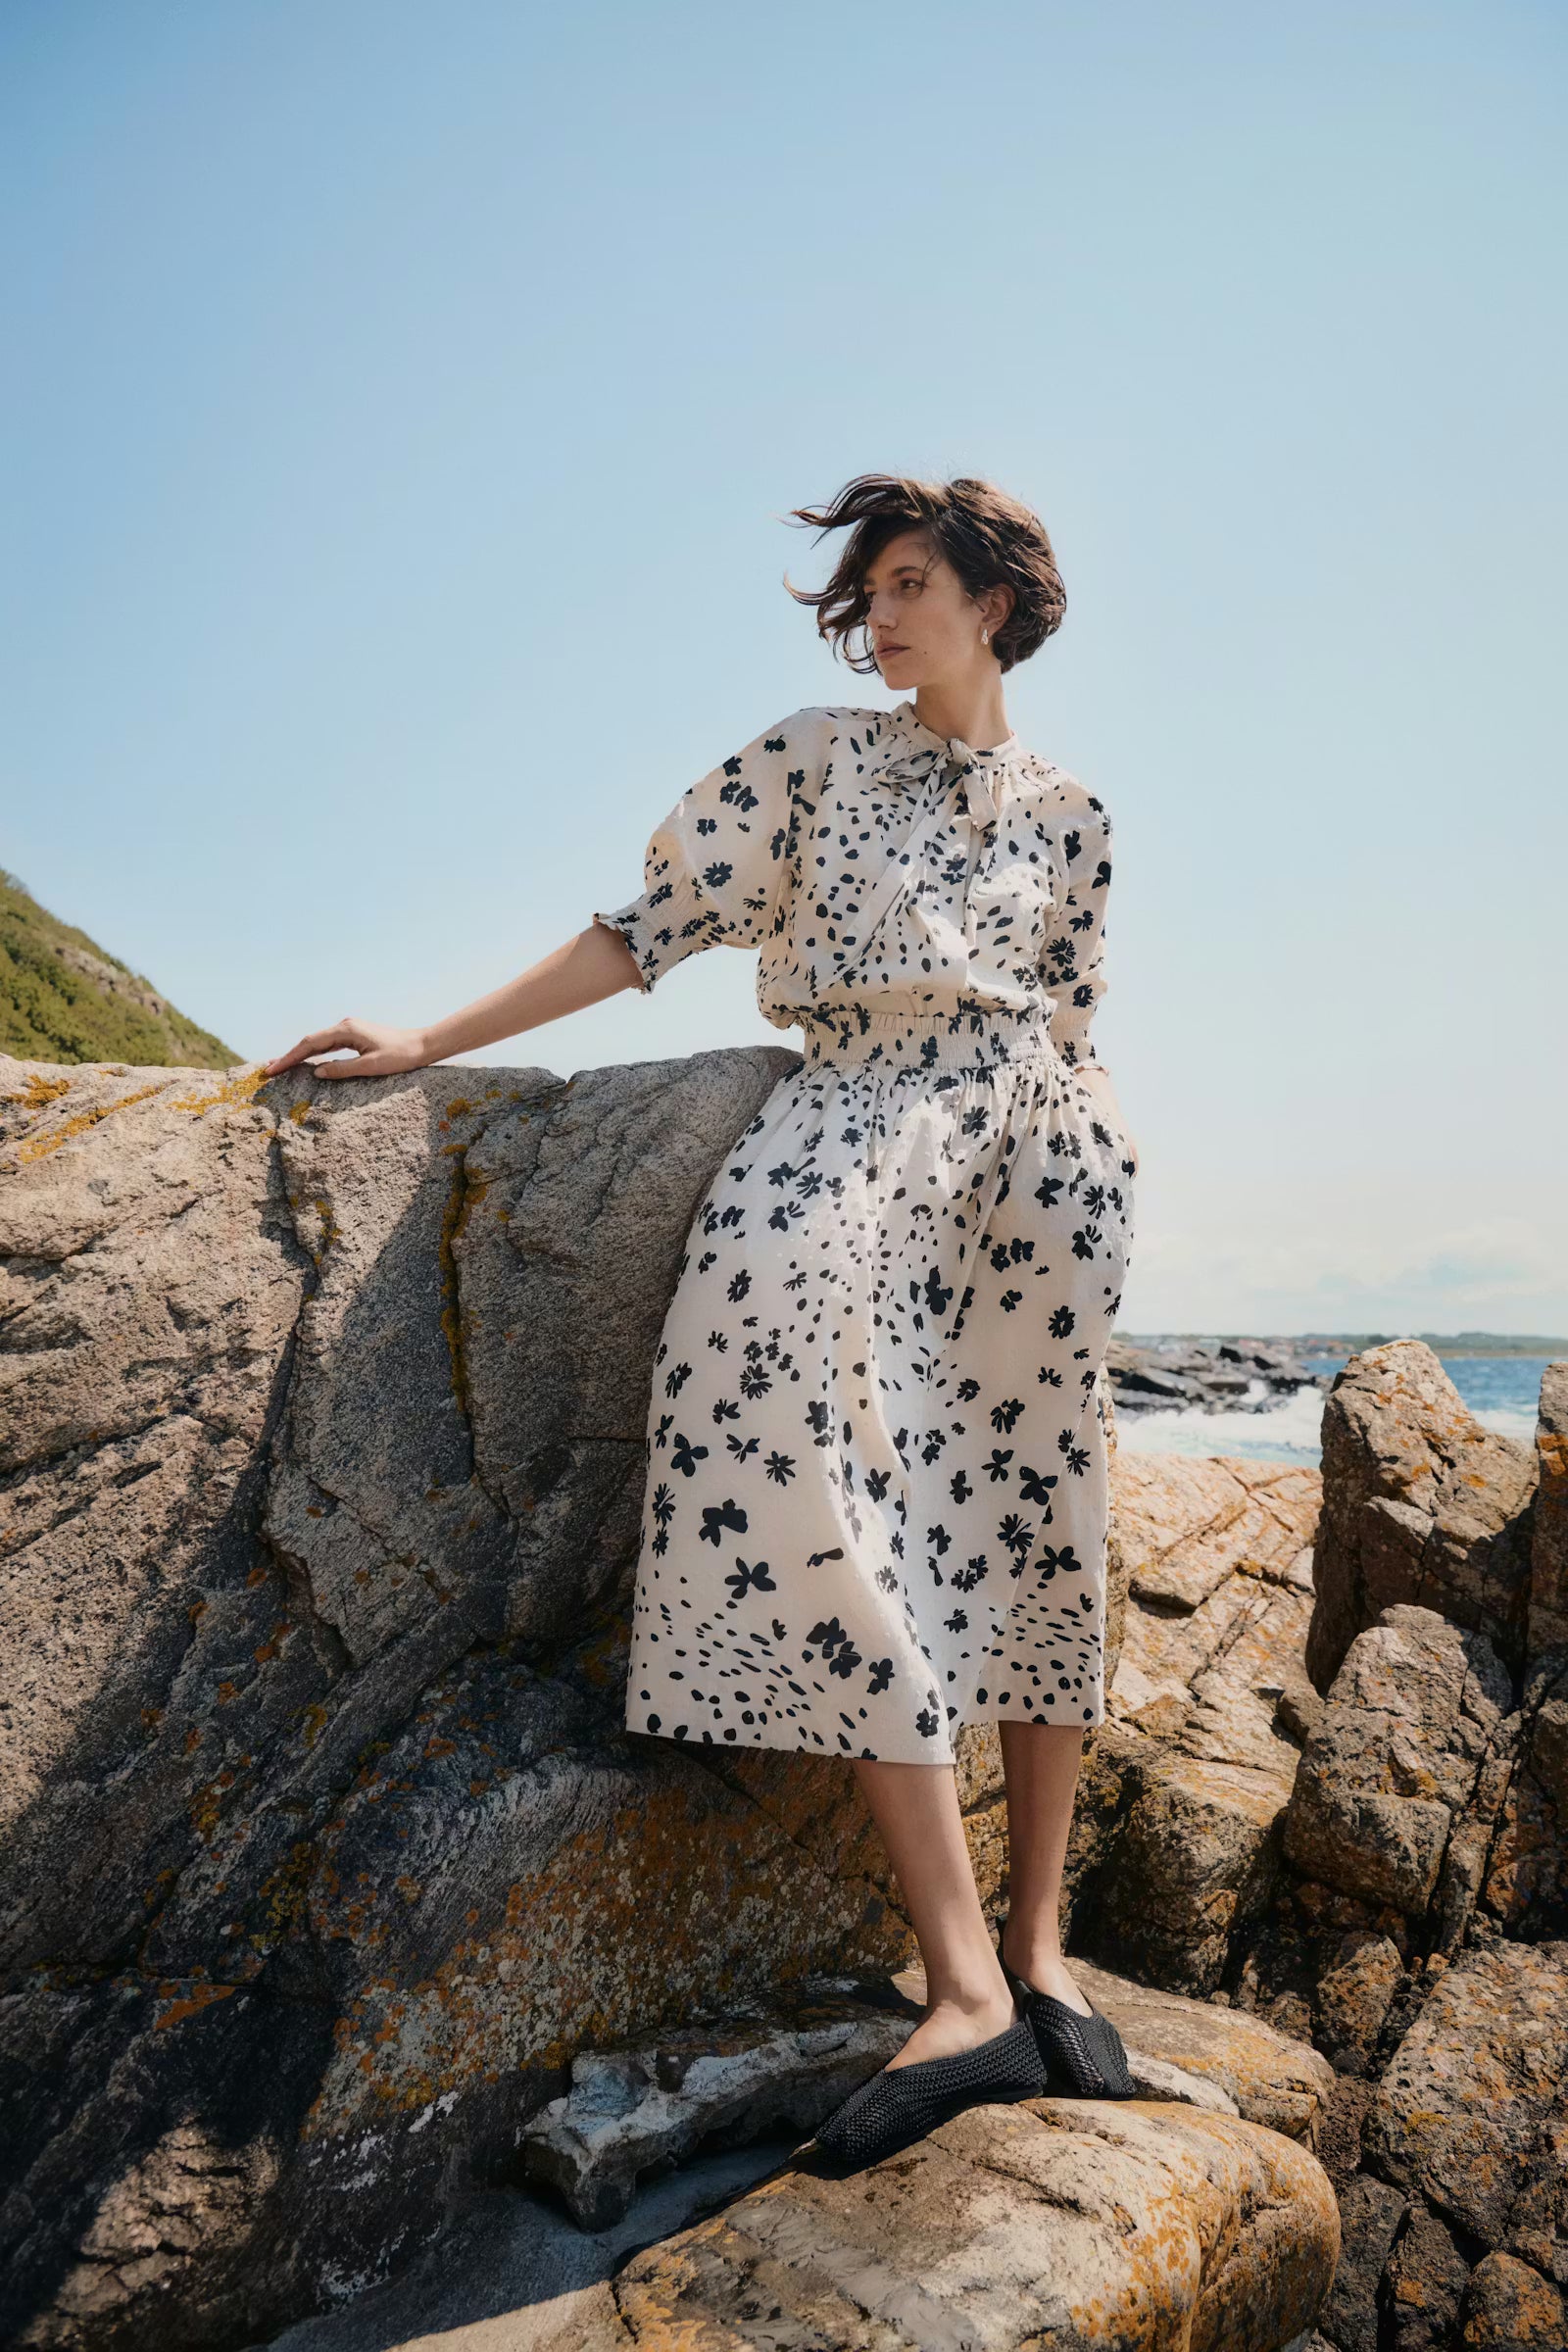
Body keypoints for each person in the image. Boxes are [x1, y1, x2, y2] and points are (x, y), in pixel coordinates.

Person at [265, 472, 1142, 2165]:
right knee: (764, 1413)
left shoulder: (1078, 815)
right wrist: (430, 1042)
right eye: (868, 589)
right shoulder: (813, 758)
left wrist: (1105, 1150)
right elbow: (639, 929)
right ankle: (958, 1985)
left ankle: (1041, 1955)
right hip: (854, 1123)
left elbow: (1079, 1011)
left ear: (993, 601)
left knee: (1049, 1512)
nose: (875, 616)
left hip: (1040, 1173)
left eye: (904, 585)